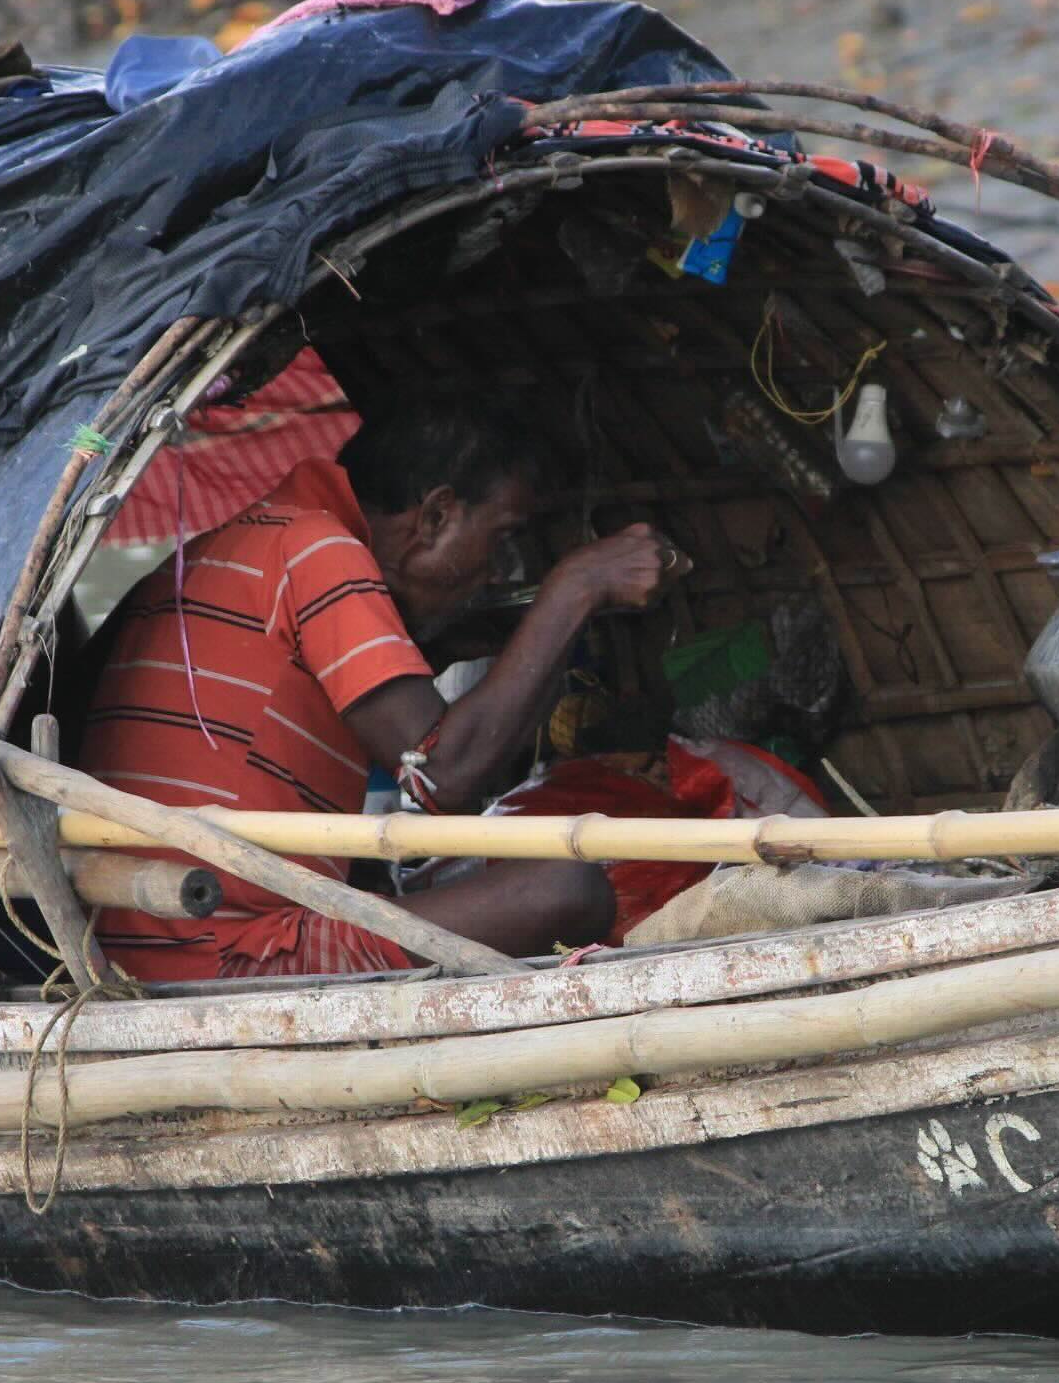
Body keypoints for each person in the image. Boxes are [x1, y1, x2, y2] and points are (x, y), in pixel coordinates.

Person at [75, 389, 670, 979]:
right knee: (568, 887)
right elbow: (444, 775)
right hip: (226, 953)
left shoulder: (237, 546)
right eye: (500, 538)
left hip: (133, 948)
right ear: (436, 516)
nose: (494, 570)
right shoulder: (318, 547)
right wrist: (576, 587)